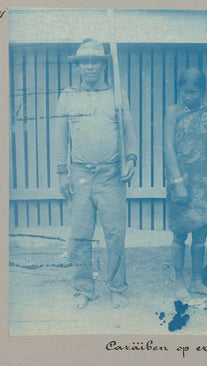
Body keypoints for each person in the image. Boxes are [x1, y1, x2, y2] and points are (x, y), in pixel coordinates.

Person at [54, 39, 137, 309]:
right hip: (79, 176)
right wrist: (61, 172)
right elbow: (59, 138)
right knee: (80, 234)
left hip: (110, 176)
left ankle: (117, 288)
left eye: (95, 62)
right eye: (84, 62)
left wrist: (132, 159)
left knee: (115, 234)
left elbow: (129, 132)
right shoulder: (67, 96)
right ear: (77, 67)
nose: (89, 67)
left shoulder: (116, 95)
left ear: (103, 66)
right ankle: (83, 288)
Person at [164, 68, 207, 298]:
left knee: (200, 236)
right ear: (179, 90)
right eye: (185, 92)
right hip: (180, 180)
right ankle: (179, 281)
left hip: (204, 182)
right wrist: (177, 181)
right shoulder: (173, 113)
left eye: (194, 92)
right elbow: (168, 148)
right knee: (179, 234)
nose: (189, 96)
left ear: (202, 91)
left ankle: (196, 280)